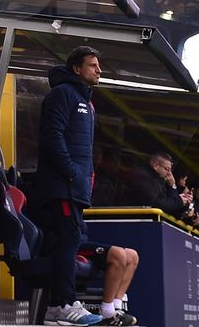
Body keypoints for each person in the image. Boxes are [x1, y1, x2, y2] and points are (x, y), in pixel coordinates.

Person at [31, 46, 104, 326]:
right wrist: (71, 173)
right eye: (93, 65)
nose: (99, 70)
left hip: (75, 187)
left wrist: (86, 178)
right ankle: (61, 305)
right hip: (63, 185)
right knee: (67, 241)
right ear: (77, 69)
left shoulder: (86, 101)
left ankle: (62, 304)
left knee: (70, 241)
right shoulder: (62, 94)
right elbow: (52, 137)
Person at [76, 240, 139, 325]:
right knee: (118, 254)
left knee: (132, 255)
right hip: (73, 245)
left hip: (82, 240)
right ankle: (107, 313)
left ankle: (116, 308)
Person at [124, 151, 191, 217]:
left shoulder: (160, 180)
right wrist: (179, 201)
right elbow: (155, 203)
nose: (169, 173)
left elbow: (169, 206)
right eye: (167, 169)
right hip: (132, 220)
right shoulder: (142, 176)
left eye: (170, 170)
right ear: (156, 165)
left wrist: (172, 186)